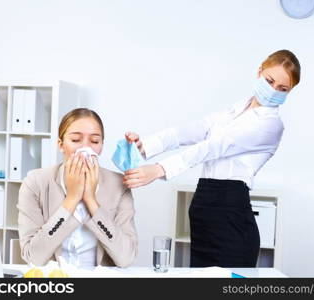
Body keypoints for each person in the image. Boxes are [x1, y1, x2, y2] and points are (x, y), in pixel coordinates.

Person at [123, 50, 301, 267]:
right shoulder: (238, 108)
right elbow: (197, 129)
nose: (273, 91)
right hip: (203, 205)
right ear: (259, 72)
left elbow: (214, 147)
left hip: (231, 212)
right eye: (270, 81)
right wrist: (147, 146)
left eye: (282, 89)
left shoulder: (270, 124)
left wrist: (160, 169)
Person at [18, 108, 138, 268]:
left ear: (101, 147)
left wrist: (91, 202)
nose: (85, 149)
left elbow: (126, 258)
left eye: (94, 142)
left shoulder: (119, 186)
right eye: (75, 140)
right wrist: (71, 200)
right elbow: (34, 257)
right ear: (61, 145)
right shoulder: (35, 183)